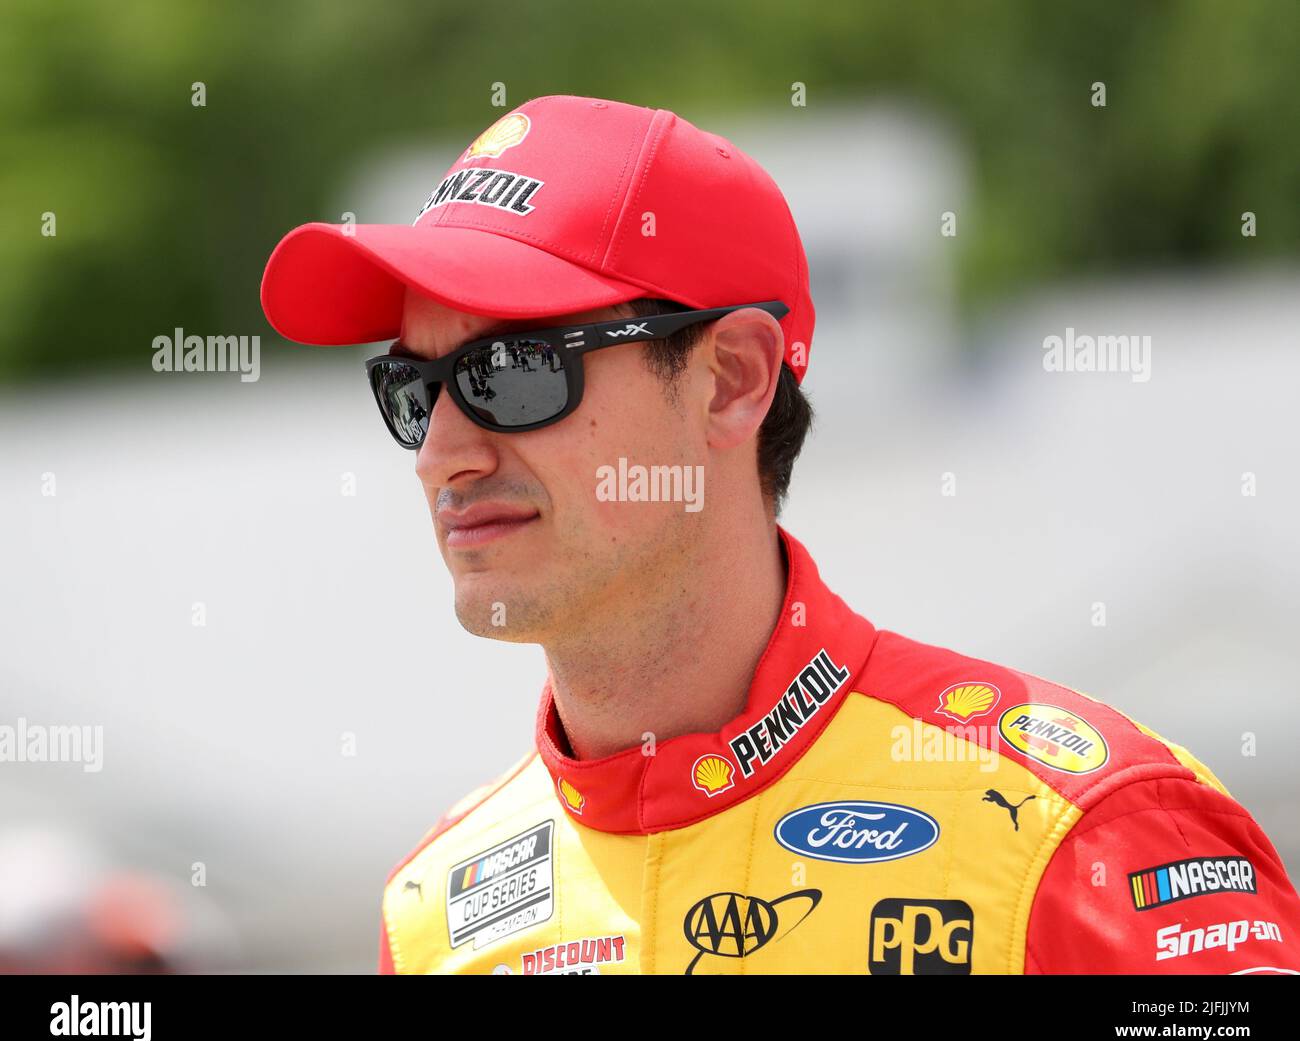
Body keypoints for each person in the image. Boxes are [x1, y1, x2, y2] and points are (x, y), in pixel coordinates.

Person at [261, 95, 1300, 975]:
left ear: (733, 379)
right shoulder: (434, 910)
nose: (441, 450)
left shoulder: (1081, 833)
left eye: (510, 372)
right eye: (412, 388)